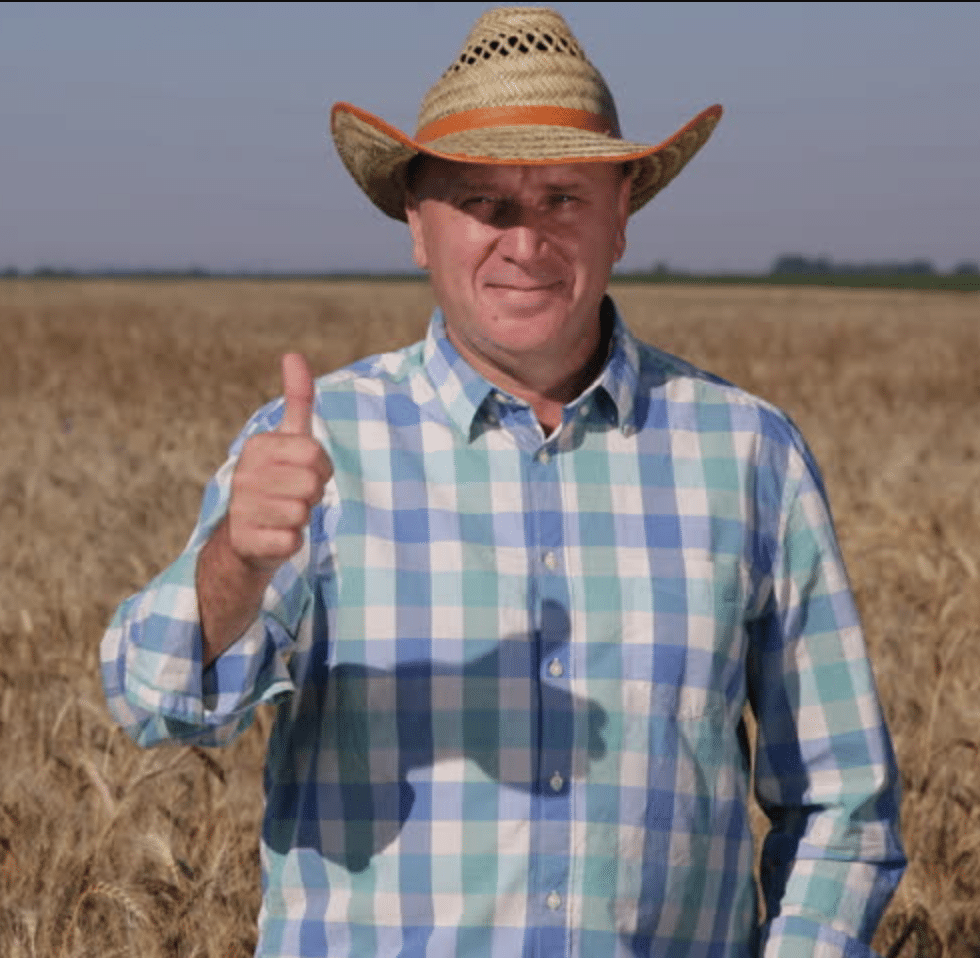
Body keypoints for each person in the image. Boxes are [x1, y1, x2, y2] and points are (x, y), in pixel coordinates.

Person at [101, 7, 905, 957]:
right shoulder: (324, 445)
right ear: (418, 226)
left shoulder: (747, 453)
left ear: (623, 215)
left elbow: (841, 798)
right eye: (484, 204)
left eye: (563, 196)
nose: (524, 242)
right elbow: (151, 701)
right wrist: (234, 559)